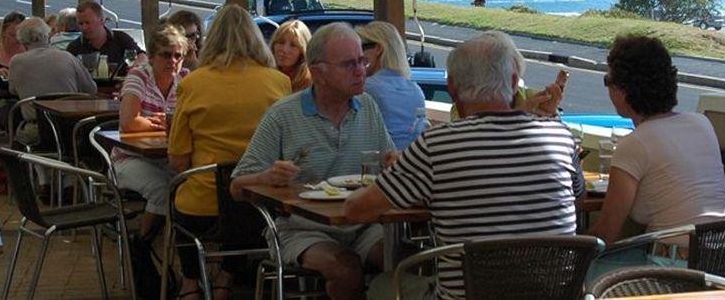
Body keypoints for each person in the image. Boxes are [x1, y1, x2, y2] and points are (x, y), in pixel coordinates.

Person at [343, 30, 584, 300]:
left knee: (382, 286)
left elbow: (355, 210)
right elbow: (577, 198)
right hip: (554, 295)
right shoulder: (560, 137)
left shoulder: (437, 144)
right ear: (514, 82)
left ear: (452, 88)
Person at [231, 23, 395, 300]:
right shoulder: (283, 115)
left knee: (406, 259)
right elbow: (236, 186)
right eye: (348, 64)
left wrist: (395, 161)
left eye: (362, 61)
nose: (360, 71)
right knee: (346, 269)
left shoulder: (367, 107)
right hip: (301, 229)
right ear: (318, 71)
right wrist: (266, 177)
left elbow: (389, 161)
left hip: (364, 223)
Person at [168, 4, 291, 299]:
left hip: (205, 203)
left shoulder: (193, 84)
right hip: (262, 203)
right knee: (238, 217)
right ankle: (226, 275)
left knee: (179, 200)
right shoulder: (279, 82)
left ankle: (190, 283)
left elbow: (178, 158)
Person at [588, 36, 725, 257]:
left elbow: (606, 232)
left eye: (608, 80)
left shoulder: (635, 144)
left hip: (671, 265)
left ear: (623, 91)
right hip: (721, 260)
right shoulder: (702, 123)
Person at [114, 24, 190, 238]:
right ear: (152, 57)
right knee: (162, 189)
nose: (173, 61)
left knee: (194, 185)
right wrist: (167, 124)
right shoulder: (139, 76)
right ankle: (141, 245)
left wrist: (154, 123)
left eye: (178, 55)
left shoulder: (185, 78)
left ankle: (178, 245)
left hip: (170, 157)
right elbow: (129, 122)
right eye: (166, 55)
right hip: (130, 158)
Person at [8, 16, 97, 146]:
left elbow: (13, 90)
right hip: (72, 128)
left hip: (38, 129)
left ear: (22, 40)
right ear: (48, 34)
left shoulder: (17, 61)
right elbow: (91, 89)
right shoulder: (67, 57)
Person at [358, 21, 428, 149]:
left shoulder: (367, 88)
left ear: (378, 49)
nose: (358, 55)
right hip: (411, 162)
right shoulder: (415, 90)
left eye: (361, 47)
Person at [65, 0, 146, 68]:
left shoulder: (120, 39)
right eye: (80, 23)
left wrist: (137, 66)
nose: (84, 27)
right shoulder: (74, 48)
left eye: (88, 22)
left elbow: (141, 55)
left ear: (102, 20)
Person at [269, 19, 312, 92]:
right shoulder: (266, 76)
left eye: (293, 45)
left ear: (302, 51)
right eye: (280, 42)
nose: (285, 50)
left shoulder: (311, 82)